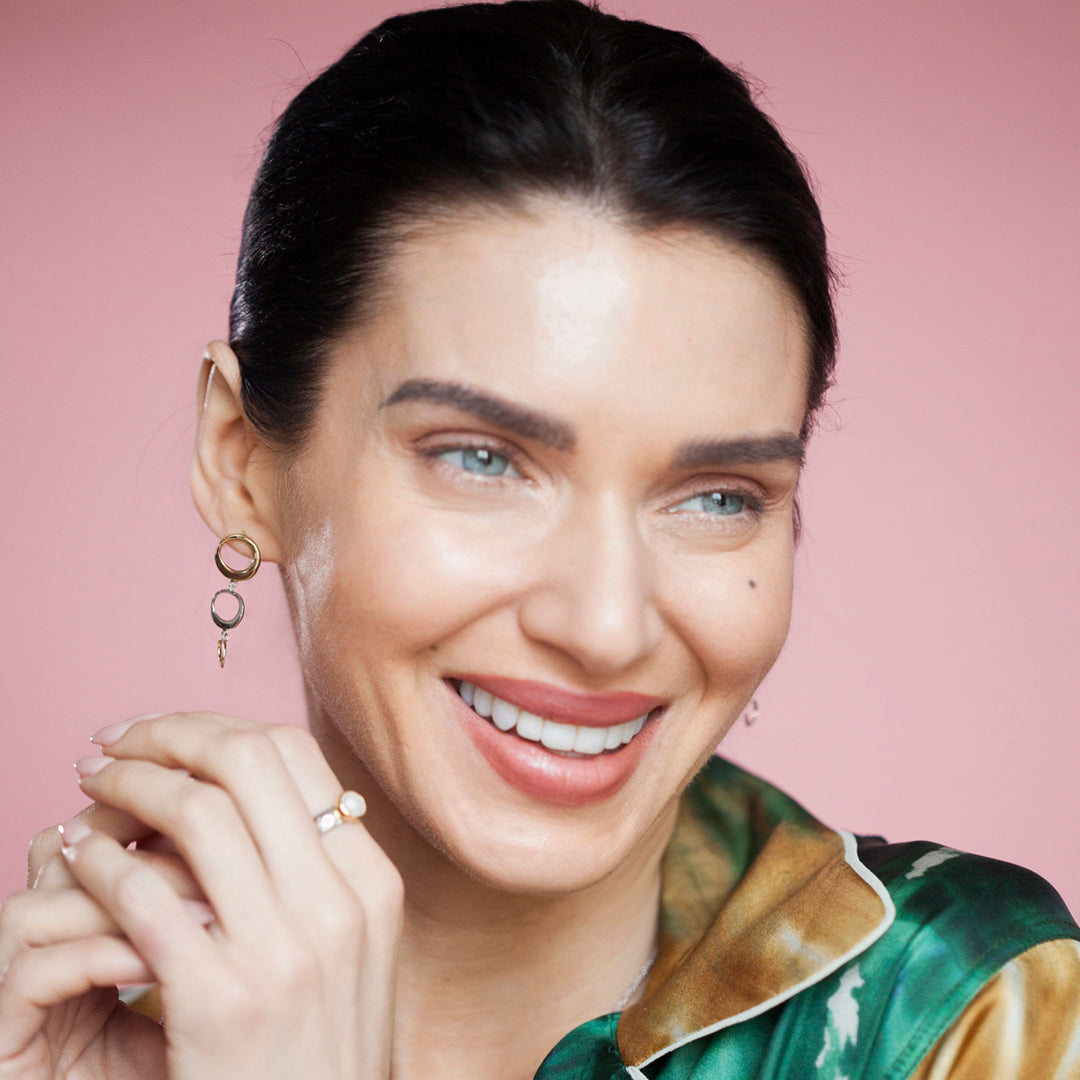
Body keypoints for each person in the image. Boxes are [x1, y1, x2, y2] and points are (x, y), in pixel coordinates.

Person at [0, 1, 1077, 1077]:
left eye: (717, 495)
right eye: (483, 460)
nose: (605, 626)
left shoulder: (967, 1009)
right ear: (242, 460)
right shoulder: (80, 1029)